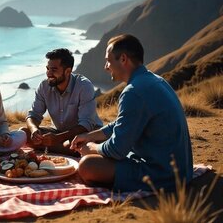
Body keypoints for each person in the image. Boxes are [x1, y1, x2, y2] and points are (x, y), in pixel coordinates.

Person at [70, 34, 193, 192]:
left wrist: (92, 147)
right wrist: (89, 136)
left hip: (162, 176)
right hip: (181, 171)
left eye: (108, 60)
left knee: (88, 165)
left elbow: (117, 149)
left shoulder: (134, 92)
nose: (106, 67)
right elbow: (121, 125)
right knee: (95, 157)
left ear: (123, 59)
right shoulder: (155, 80)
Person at [21, 48, 103, 156]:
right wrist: (34, 130)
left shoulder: (84, 86)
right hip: (59, 133)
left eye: (54, 70)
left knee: (84, 145)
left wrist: (57, 139)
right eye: (47, 69)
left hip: (85, 134)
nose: (49, 74)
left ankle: (65, 149)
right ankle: (69, 150)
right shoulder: (44, 86)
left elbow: (86, 124)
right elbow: (33, 115)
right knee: (23, 133)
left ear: (68, 71)